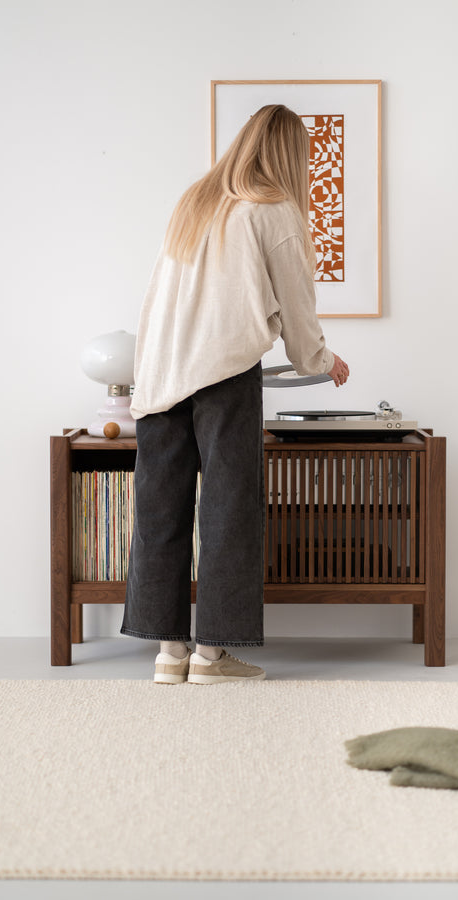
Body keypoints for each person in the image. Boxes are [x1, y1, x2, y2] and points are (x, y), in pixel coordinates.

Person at [120, 104, 350, 684]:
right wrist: (322, 360)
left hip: (160, 377)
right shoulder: (275, 209)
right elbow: (297, 308)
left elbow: (160, 300)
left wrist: (146, 378)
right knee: (228, 515)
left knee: (160, 514)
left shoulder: (196, 203)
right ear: (289, 153)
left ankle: (168, 655)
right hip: (223, 376)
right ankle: (211, 656)